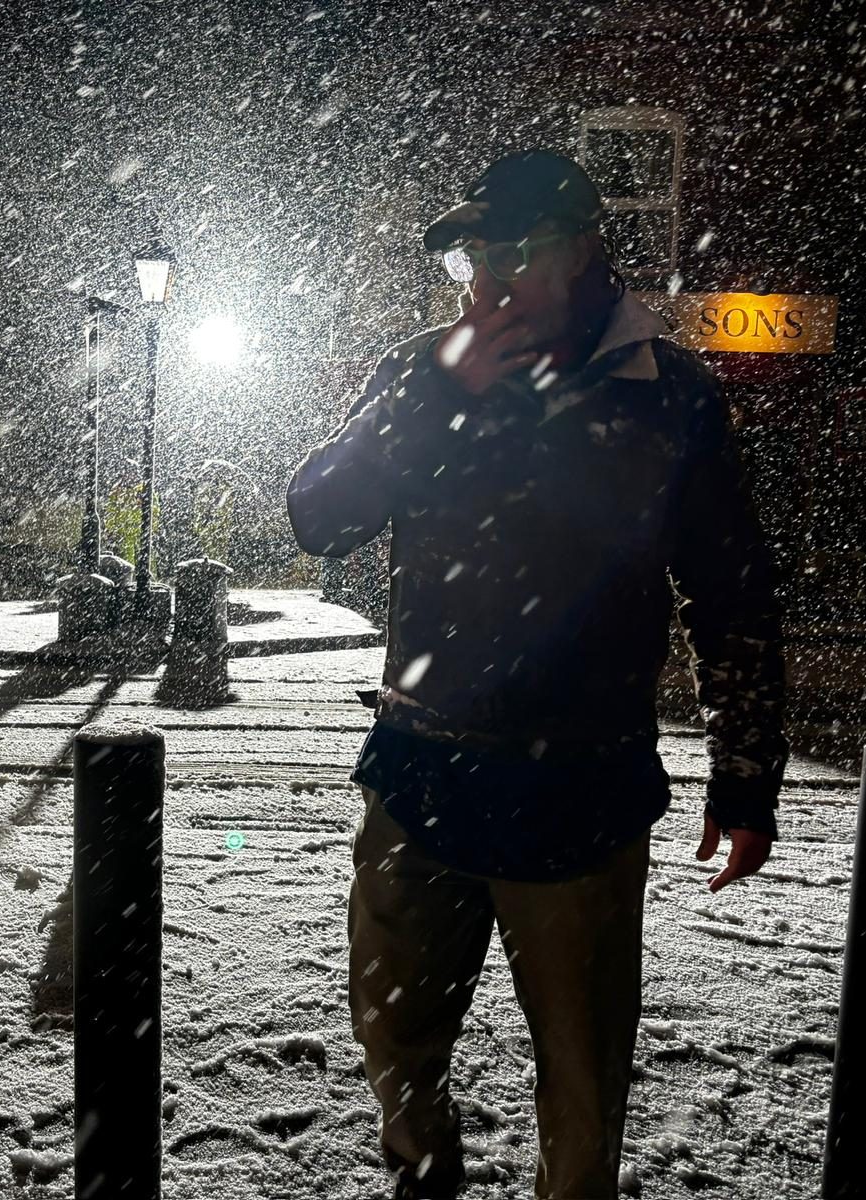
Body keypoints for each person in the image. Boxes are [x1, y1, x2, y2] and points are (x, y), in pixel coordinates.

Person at [286, 150, 788, 1200]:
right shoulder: (424, 368)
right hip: (419, 767)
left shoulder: (665, 395)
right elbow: (318, 517)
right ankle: (423, 1181)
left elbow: (730, 593)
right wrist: (435, 392)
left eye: (512, 250)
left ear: (584, 248)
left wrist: (744, 774)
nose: (486, 278)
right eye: (472, 254)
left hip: (581, 789)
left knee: (581, 1081)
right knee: (394, 1043)